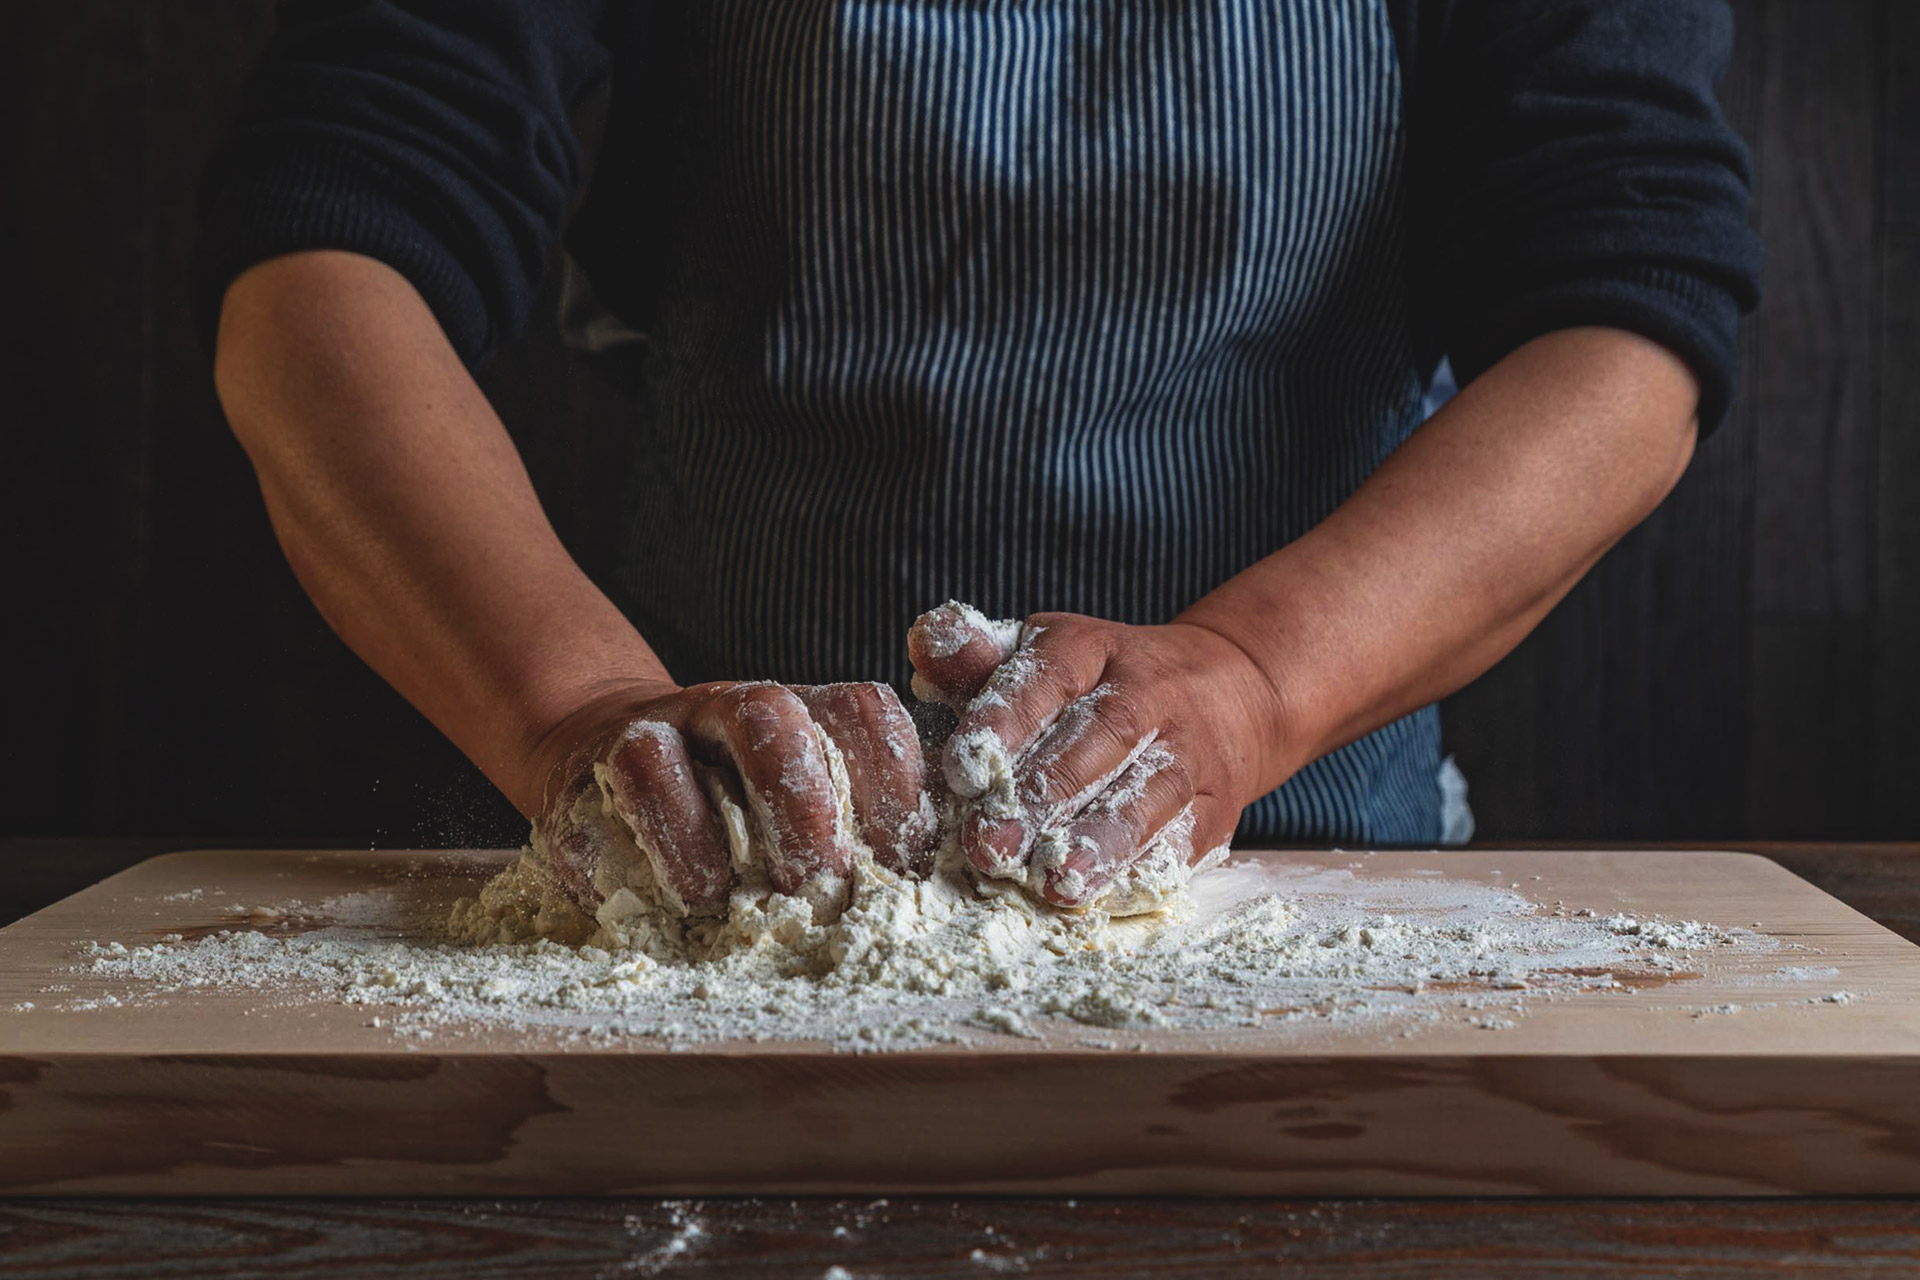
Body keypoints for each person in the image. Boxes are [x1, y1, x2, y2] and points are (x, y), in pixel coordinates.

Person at [197, 0, 1761, 916]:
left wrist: (1255, 681)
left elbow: (1625, 317)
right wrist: (576, 712)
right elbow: (335, 241)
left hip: (1310, 864)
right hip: (701, 879)